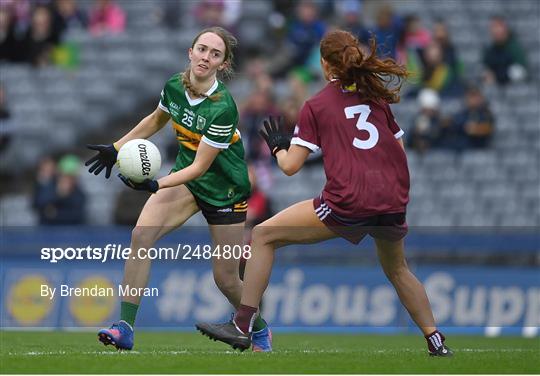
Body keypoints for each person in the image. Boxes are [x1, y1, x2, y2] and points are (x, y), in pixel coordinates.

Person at [196, 30, 452, 357]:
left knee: (263, 235)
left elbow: (290, 167)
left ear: (326, 64)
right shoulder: (376, 96)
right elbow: (398, 147)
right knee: (398, 269)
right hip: (390, 199)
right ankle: (435, 340)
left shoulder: (317, 104)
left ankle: (242, 324)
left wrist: (277, 147)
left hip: (350, 201)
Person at [85, 27, 271, 352]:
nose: (206, 57)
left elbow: (201, 167)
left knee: (225, 279)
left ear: (222, 64)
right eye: (202, 49)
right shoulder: (174, 84)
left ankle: (259, 329)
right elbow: (157, 120)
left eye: (215, 54)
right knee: (141, 236)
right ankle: (125, 327)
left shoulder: (222, 106)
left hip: (224, 190)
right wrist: (118, 147)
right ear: (190, 51)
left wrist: (154, 184)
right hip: (186, 181)